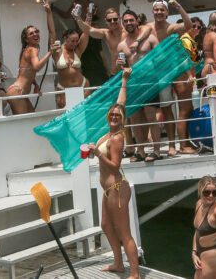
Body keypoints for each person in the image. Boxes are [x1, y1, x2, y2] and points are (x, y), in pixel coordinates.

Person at [87, 67, 140, 279]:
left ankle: (135, 273)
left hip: (117, 188)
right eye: (113, 113)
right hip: (110, 189)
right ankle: (118, 263)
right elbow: (121, 103)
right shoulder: (108, 133)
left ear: (122, 119)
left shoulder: (117, 137)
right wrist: (124, 80)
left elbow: (115, 166)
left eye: (118, 115)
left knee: (124, 232)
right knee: (106, 225)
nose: (115, 115)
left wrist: (98, 155)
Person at [144, 0, 193, 157]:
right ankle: (172, 144)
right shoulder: (147, 28)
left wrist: (178, 6)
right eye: (156, 10)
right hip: (159, 74)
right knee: (167, 109)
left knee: (185, 107)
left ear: (167, 12)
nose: (159, 12)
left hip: (175, 70)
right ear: (153, 11)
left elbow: (189, 26)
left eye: (162, 10)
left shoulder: (171, 28)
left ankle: (178, 144)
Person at [117, 10, 159, 162]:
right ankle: (140, 151)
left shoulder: (151, 39)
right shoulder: (122, 45)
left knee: (150, 117)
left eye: (131, 20)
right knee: (135, 119)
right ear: (123, 23)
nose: (129, 23)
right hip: (133, 83)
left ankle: (156, 151)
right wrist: (120, 66)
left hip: (150, 82)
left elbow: (161, 57)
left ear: (136, 21)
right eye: (126, 21)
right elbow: (122, 67)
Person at [6, 0, 59, 114]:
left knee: (30, 120)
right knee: (24, 124)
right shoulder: (32, 49)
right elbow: (36, 67)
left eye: (36, 31)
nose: (35, 34)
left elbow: (26, 72)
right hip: (18, 92)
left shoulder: (26, 50)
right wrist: (50, 52)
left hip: (18, 92)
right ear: (26, 39)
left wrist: (34, 84)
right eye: (31, 33)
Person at [50, 9, 92, 109]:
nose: (75, 43)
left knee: (81, 115)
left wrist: (89, 16)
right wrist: (48, 12)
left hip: (83, 85)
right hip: (64, 88)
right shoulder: (57, 51)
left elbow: (86, 32)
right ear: (65, 38)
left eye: (77, 41)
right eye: (72, 41)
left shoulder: (78, 51)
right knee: (66, 117)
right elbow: (52, 33)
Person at [176, 17, 205, 153]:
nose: (196, 29)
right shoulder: (186, 39)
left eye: (199, 27)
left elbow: (194, 60)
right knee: (184, 111)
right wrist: (189, 76)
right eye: (193, 25)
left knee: (187, 111)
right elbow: (184, 59)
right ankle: (183, 145)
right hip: (184, 79)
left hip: (188, 78)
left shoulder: (191, 40)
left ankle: (186, 142)